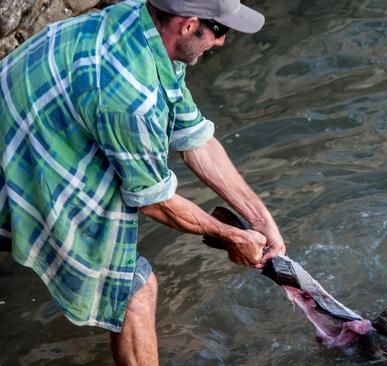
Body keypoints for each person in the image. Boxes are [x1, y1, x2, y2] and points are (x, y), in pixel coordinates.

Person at [0, 0, 285, 364]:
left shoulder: (140, 21)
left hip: (29, 133)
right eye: (219, 30)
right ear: (187, 25)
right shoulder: (132, 96)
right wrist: (233, 236)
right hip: (16, 172)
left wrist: (260, 219)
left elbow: (194, 137)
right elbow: (154, 201)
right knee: (136, 288)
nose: (221, 43)